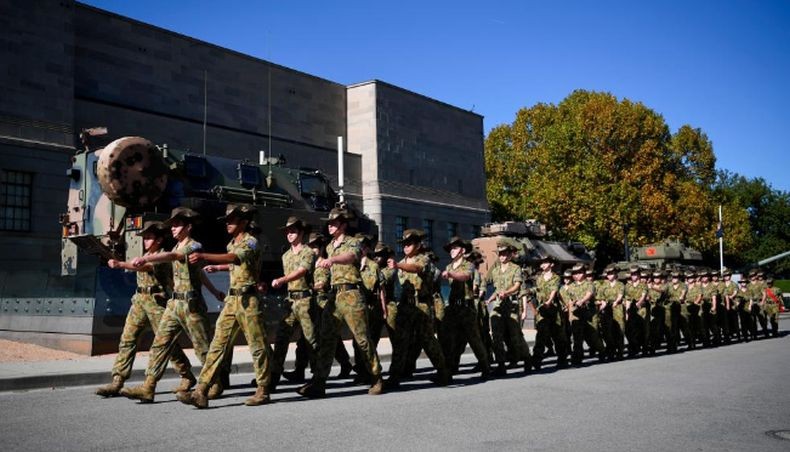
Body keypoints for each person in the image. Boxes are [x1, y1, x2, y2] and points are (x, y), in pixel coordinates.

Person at [120, 207, 224, 403]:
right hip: (174, 303)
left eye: (177, 225)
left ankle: (215, 383)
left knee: (202, 348)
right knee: (160, 344)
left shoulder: (194, 246)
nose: (173, 229)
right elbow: (196, 271)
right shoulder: (176, 247)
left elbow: (175, 259)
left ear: (189, 227)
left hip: (192, 305)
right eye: (173, 225)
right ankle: (148, 387)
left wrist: (146, 257)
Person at [177, 204, 272, 408]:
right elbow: (232, 263)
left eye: (232, 220)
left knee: (257, 346)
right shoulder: (231, 243)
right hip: (231, 300)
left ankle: (263, 389)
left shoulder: (251, 242)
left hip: (249, 301)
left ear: (244, 222)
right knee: (217, 345)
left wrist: (204, 256)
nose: (228, 224)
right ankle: (201, 390)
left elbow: (236, 258)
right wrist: (217, 266)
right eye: (227, 220)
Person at [95, 221, 195, 397]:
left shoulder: (162, 256)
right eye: (145, 238)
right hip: (140, 301)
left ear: (159, 240)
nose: (145, 241)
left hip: (157, 303)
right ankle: (118, 380)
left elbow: (146, 266)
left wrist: (120, 265)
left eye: (149, 238)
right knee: (127, 339)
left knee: (166, 344)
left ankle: (187, 375)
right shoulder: (146, 254)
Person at [298, 207, 383, 398]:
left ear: (343, 225)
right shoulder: (328, 247)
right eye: (329, 223)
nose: (330, 226)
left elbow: (351, 257)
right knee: (327, 340)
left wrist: (332, 260)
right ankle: (319, 383)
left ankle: (376, 377)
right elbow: (328, 273)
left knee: (362, 339)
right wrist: (320, 282)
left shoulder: (354, 242)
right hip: (334, 297)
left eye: (334, 223)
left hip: (352, 294)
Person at [385, 229, 450, 388]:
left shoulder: (424, 259)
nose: (406, 247)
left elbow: (417, 268)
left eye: (410, 244)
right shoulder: (403, 261)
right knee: (401, 341)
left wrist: (398, 265)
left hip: (421, 305)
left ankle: (444, 372)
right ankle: (394, 377)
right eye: (404, 244)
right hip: (406, 305)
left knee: (428, 341)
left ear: (418, 244)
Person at [268, 216, 318, 391]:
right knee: (281, 338)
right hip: (290, 301)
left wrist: (282, 280)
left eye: (293, 231)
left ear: (301, 233)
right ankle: (273, 376)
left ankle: (317, 378)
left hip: (305, 300)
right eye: (287, 232)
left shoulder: (308, 252)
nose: (289, 234)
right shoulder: (285, 256)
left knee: (311, 340)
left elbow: (302, 271)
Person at [439, 236, 490, 378]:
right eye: (450, 248)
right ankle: (450, 369)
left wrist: (451, 274)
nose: (451, 251)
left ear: (462, 250)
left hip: (466, 308)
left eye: (455, 248)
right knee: (451, 340)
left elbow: (465, 277)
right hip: (453, 308)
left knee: (474, 339)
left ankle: (485, 366)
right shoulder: (449, 266)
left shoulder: (468, 265)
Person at [308, 232, 353, 378]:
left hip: (323, 303)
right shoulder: (310, 263)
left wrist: (312, 287)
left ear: (321, 248)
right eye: (310, 246)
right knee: (316, 338)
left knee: (327, 337)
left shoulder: (324, 263)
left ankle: (341, 364)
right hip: (312, 304)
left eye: (314, 246)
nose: (312, 249)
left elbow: (322, 283)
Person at [485, 239, 532, 376]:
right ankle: (501, 365)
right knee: (496, 336)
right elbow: (497, 289)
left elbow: (517, 286)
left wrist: (507, 292)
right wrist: (491, 298)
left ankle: (527, 359)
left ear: (510, 254)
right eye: (500, 254)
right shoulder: (496, 271)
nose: (502, 256)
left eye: (505, 254)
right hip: (498, 305)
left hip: (511, 306)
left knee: (515, 336)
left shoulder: (515, 268)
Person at [532, 256, 568, 369]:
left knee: (558, 335)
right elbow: (537, 289)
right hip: (542, 310)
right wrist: (529, 291)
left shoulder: (556, 278)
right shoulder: (539, 278)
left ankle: (562, 359)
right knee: (541, 335)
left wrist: (549, 301)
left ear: (551, 264)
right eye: (541, 263)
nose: (542, 264)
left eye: (545, 262)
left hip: (553, 310)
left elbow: (554, 290)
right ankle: (537, 360)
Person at [566, 264, 605, 365]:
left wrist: (582, 300)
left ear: (583, 273)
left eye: (579, 273)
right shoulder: (571, 286)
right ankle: (577, 357)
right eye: (574, 273)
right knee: (577, 337)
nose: (576, 275)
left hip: (589, 314)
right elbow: (570, 301)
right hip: (577, 314)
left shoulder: (589, 284)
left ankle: (602, 351)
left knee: (593, 336)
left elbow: (589, 294)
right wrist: (570, 316)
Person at [596, 266, 625, 361]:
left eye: (611, 273)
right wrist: (601, 302)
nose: (610, 275)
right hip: (606, 309)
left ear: (616, 274)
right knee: (607, 331)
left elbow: (620, 295)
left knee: (619, 330)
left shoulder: (620, 284)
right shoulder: (603, 286)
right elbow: (598, 298)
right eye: (608, 274)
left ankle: (620, 351)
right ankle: (611, 350)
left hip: (617, 308)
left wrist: (616, 302)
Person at [624, 267, 648, 357]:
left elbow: (643, 296)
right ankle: (633, 348)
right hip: (631, 310)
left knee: (642, 329)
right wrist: (627, 312)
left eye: (635, 274)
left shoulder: (643, 285)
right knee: (630, 330)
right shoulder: (628, 286)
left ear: (638, 275)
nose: (633, 276)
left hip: (641, 309)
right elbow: (627, 299)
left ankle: (644, 347)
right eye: (632, 274)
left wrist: (638, 303)